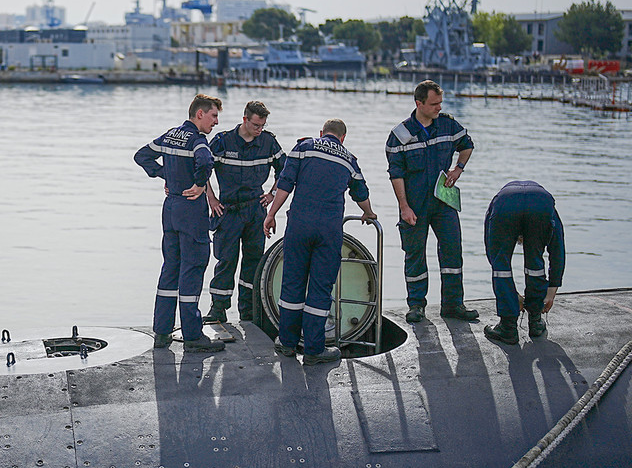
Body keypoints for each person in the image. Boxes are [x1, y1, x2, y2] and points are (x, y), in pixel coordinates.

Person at [263, 119, 376, 365]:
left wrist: (271, 214)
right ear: (342, 138)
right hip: (328, 229)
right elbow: (361, 193)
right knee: (320, 287)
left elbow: (285, 184)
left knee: (292, 282)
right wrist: (368, 213)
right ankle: (314, 350)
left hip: (300, 225)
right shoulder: (348, 159)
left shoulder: (303, 148)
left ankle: (287, 343)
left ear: (321, 133)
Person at [135, 94, 226, 353]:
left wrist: (167, 174)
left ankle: (162, 333)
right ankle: (193, 335)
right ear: (200, 114)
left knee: (170, 267)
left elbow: (141, 156)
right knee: (193, 267)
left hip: (171, 208)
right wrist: (199, 184)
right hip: (190, 210)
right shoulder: (198, 140)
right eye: (214, 116)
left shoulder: (168, 136)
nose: (216, 122)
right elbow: (206, 161)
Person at [386, 80, 477, 324]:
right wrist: (404, 207)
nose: (439, 107)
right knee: (415, 254)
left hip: (442, 202)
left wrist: (458, 169)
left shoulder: (447, 124)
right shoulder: (400, 135)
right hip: (414, 204)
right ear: (419, 104)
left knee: (452, 251)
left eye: (440, 103)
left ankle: (453, 305)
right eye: (434, 104)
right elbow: (396, 174)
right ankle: (416, 305)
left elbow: (467, 146)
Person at [204, 100, 287, 324]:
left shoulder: (268, 142)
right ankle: (218, 309)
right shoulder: (223, 141)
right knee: (226, 260)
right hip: (228, 211)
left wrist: (272, 193)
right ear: (245, 120)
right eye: (256, 125)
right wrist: (211, 199)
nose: (259, 130)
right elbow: (201, 170)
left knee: (254, 261)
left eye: (262, 125)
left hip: (255, 210)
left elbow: (287, 171)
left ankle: (248, 311)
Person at [483, 181, 565, 345]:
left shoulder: (496, 205)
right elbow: (558, 250)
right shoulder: (550, 209)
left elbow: (493, 254)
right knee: (535, 260)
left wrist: (512, 295)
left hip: (505, 204)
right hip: (540, 203)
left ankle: (507, 327)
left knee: (501, 267)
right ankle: (535, 321)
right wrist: (552, 289)